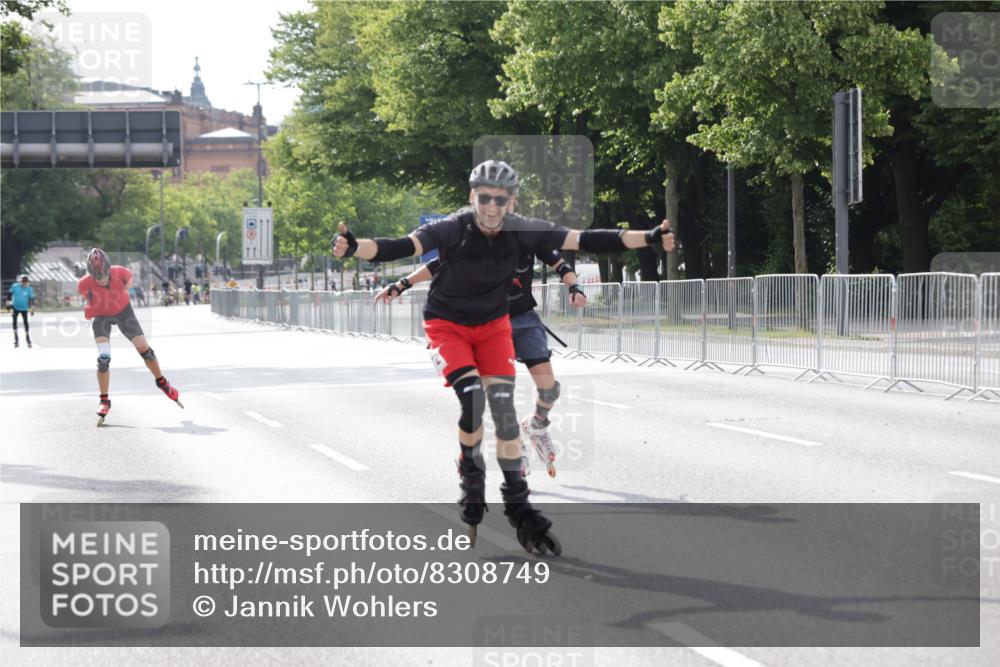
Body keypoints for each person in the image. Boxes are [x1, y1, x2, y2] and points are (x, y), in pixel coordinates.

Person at [334, 159, 675, 554]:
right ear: (472, 197)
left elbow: (588, 239)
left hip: (494, 326)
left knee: (504, 412)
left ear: (512, 201)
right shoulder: (451, 228)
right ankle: (470, 469)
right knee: (473, 400)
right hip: (448, 325)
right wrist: (357, 248)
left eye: (500, 199)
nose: (492, 207)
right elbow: (400, 247)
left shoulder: (525, 230)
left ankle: (520, 505)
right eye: (484, 198)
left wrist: (648, 236)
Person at [376, 246, 587, 478]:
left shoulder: (530, 235)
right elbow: (439, 264)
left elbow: (561, 265)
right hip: (488, 322)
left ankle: (537, 423)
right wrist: (402, 284)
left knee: (549, 389)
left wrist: (574, 287)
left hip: (523, 318)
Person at [78, 248, 183, 425]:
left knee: (145, 350)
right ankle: (104, 401)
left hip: (123, 313)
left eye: (103, 275)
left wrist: (116, 297)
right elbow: (87, 298)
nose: (101, 280)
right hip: (100, 316)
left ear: (109, 269)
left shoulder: (121, 273)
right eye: (97, 277)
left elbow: (128, 284)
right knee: (103, 360)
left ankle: (162, 382)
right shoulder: (84, 283)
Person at [8, 274, 34, 348]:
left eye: (26, 282)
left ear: (28, 282)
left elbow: (31, 300)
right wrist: (8, 305)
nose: (24, 283)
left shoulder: (30, 289)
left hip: (24, 308)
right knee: (14, 322)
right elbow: (9, 295)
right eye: (23, 282)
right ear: (20, 282)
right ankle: (16, 338)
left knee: (25, 322)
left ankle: (27, 337)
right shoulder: (15, 286)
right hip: (15, 306)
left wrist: (32, 309)